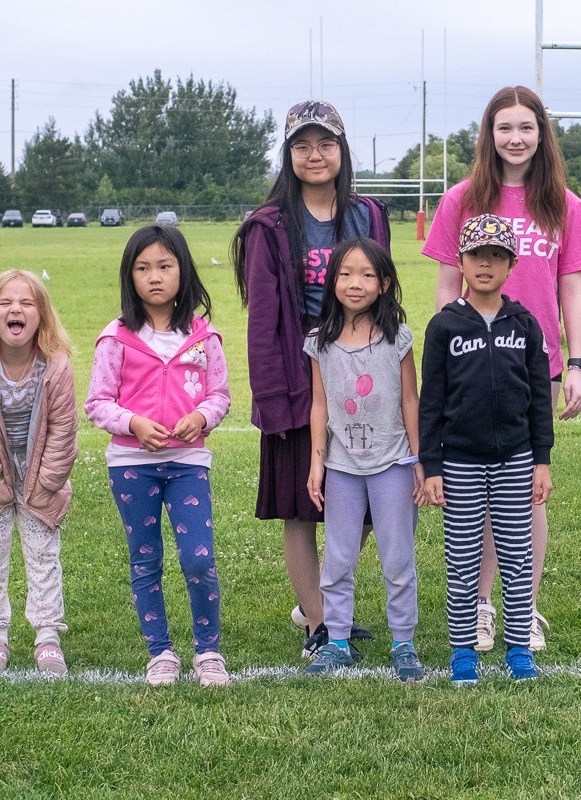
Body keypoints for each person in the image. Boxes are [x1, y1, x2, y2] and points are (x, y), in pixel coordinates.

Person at [421, 85, 581, 653]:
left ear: (542, 134)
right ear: (489, 134)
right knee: (475, 494)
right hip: (472, 366)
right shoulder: (461, 198)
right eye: (505, 128)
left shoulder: (563, 204)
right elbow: (447, 288)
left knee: (524, 492)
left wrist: (573, 362)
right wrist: (448, 361)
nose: (516, 138)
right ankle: (477, 610)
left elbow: (570, 285)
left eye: (527, 127)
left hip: (534, 364)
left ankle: (525, 609)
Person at [231, 100, 390, 659]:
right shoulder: (269, 226)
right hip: (299, 373)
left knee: (371, 496)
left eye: (325, 144)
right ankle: (320, 623)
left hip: (362, 371)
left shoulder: (368, 214)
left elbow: (383, 294)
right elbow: (263, 322)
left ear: (343, 150)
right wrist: (273, 399)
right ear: (288, 153)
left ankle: (318, 602)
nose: (314, 154)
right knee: (302, 503)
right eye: (302, 145)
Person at [86, 225, 232, 687]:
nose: (154, 277)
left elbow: (221, 396)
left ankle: (208, 653)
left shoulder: (204, 337)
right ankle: (161, 653)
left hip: (188, 464)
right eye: (143, 267)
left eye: (165, 266)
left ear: (183, 271)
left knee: (198, 559)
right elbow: (97, 403)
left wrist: (202, 418)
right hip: (131, 467)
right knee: (145, 560)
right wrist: (133, 424)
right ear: (129, 277)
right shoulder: (116, 338)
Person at [420, 214, 554, 685]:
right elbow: (430, 401)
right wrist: (430, 465)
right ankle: (463, 652)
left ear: (511, 264)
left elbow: (540, 400)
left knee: (517, 556)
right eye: (477, 255)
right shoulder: (444, 327)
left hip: (516, 458)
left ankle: (519, 650)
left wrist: (542, 460)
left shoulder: (525, 324)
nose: (485, 264)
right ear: (460, 261)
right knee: (461, 557)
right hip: (458, 461)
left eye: (496, 255)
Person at [302, 238, 427, 682]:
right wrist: (318, 462)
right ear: (332, 280)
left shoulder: (399, 337)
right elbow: (319, 405)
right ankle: (336, 641)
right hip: (341, 467)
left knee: (397, 557)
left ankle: (404, 643)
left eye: (368, 275)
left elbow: (410, 400)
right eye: (346, 274)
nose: (356, 283)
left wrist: (418, 459)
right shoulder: (320, 342)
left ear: (385, 283)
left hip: (393, 462)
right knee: (337, 558)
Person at [0, 269, 77, 676]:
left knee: (43, 555)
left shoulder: (55, 367)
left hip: (42, 474)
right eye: (5, 303)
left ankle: (47, 636)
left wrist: (45, 483)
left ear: (41, 314)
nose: (15, 309)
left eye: (26, 302)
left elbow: (63, 429)